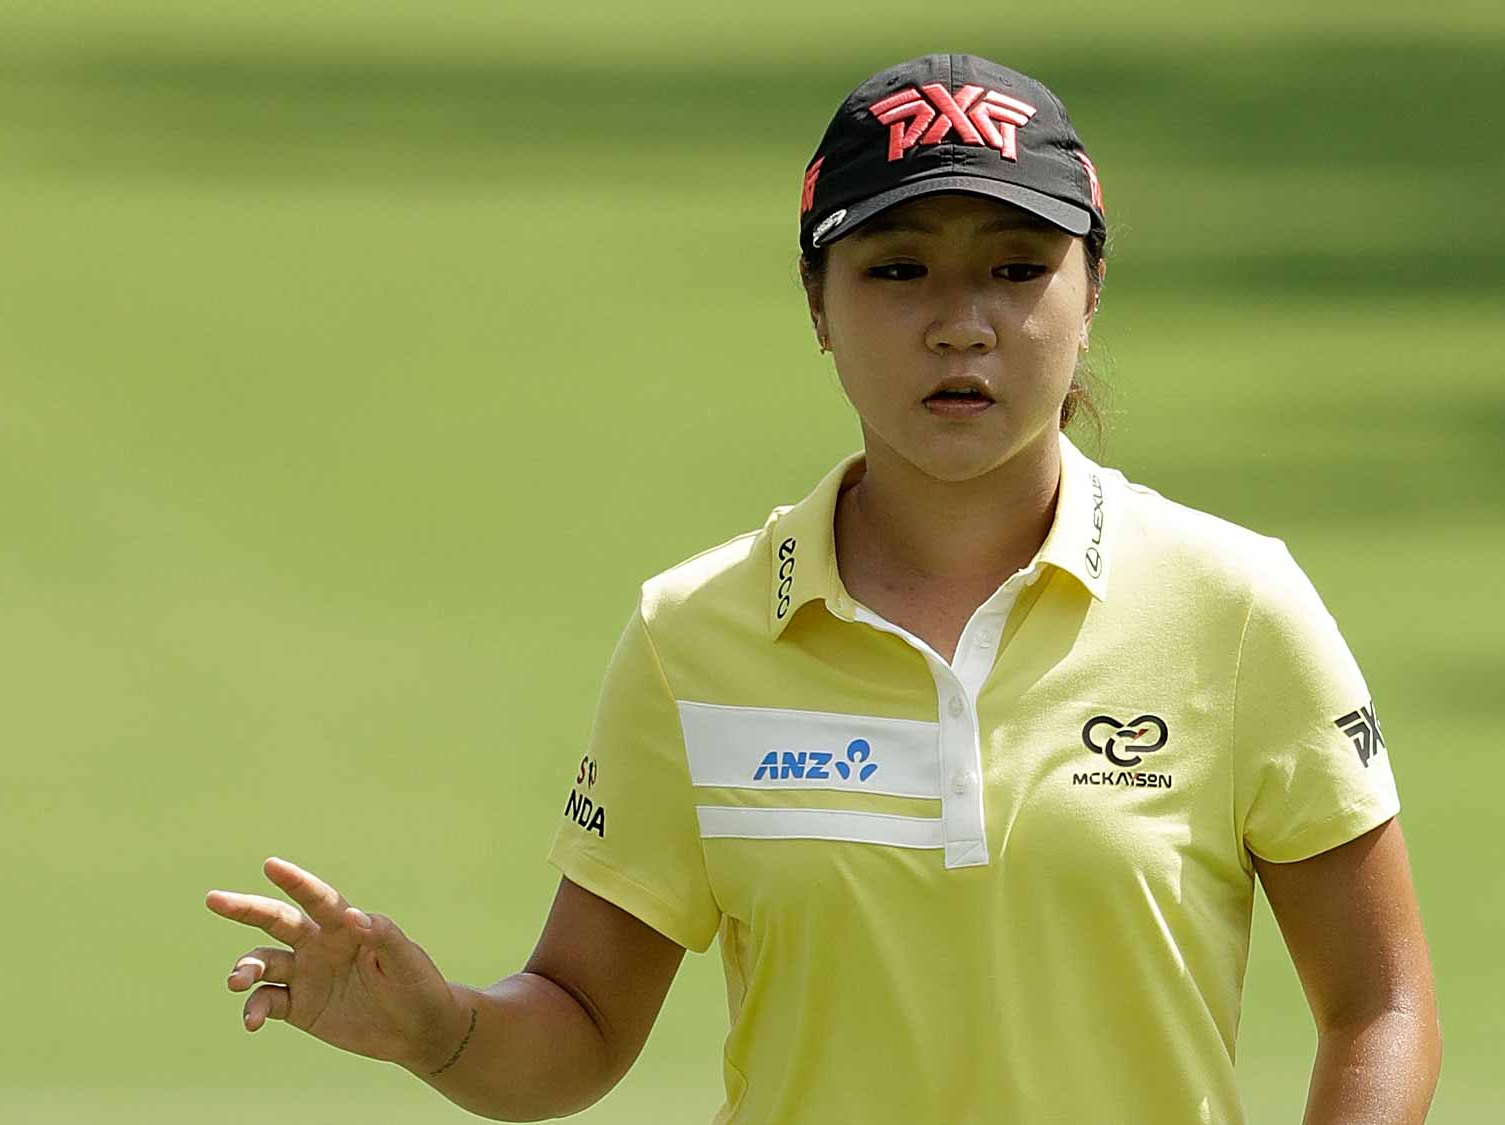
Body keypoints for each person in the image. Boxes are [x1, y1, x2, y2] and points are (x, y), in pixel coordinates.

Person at [203, 52, 1441, 1124]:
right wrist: (442, 1030)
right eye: (896, 270)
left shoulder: (1230, 606)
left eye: (1015, 269)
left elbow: (1379, 1005)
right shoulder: (697, 633)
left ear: (1090, 290)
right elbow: (579, 1022)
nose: (960, 324)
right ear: (816, 304)